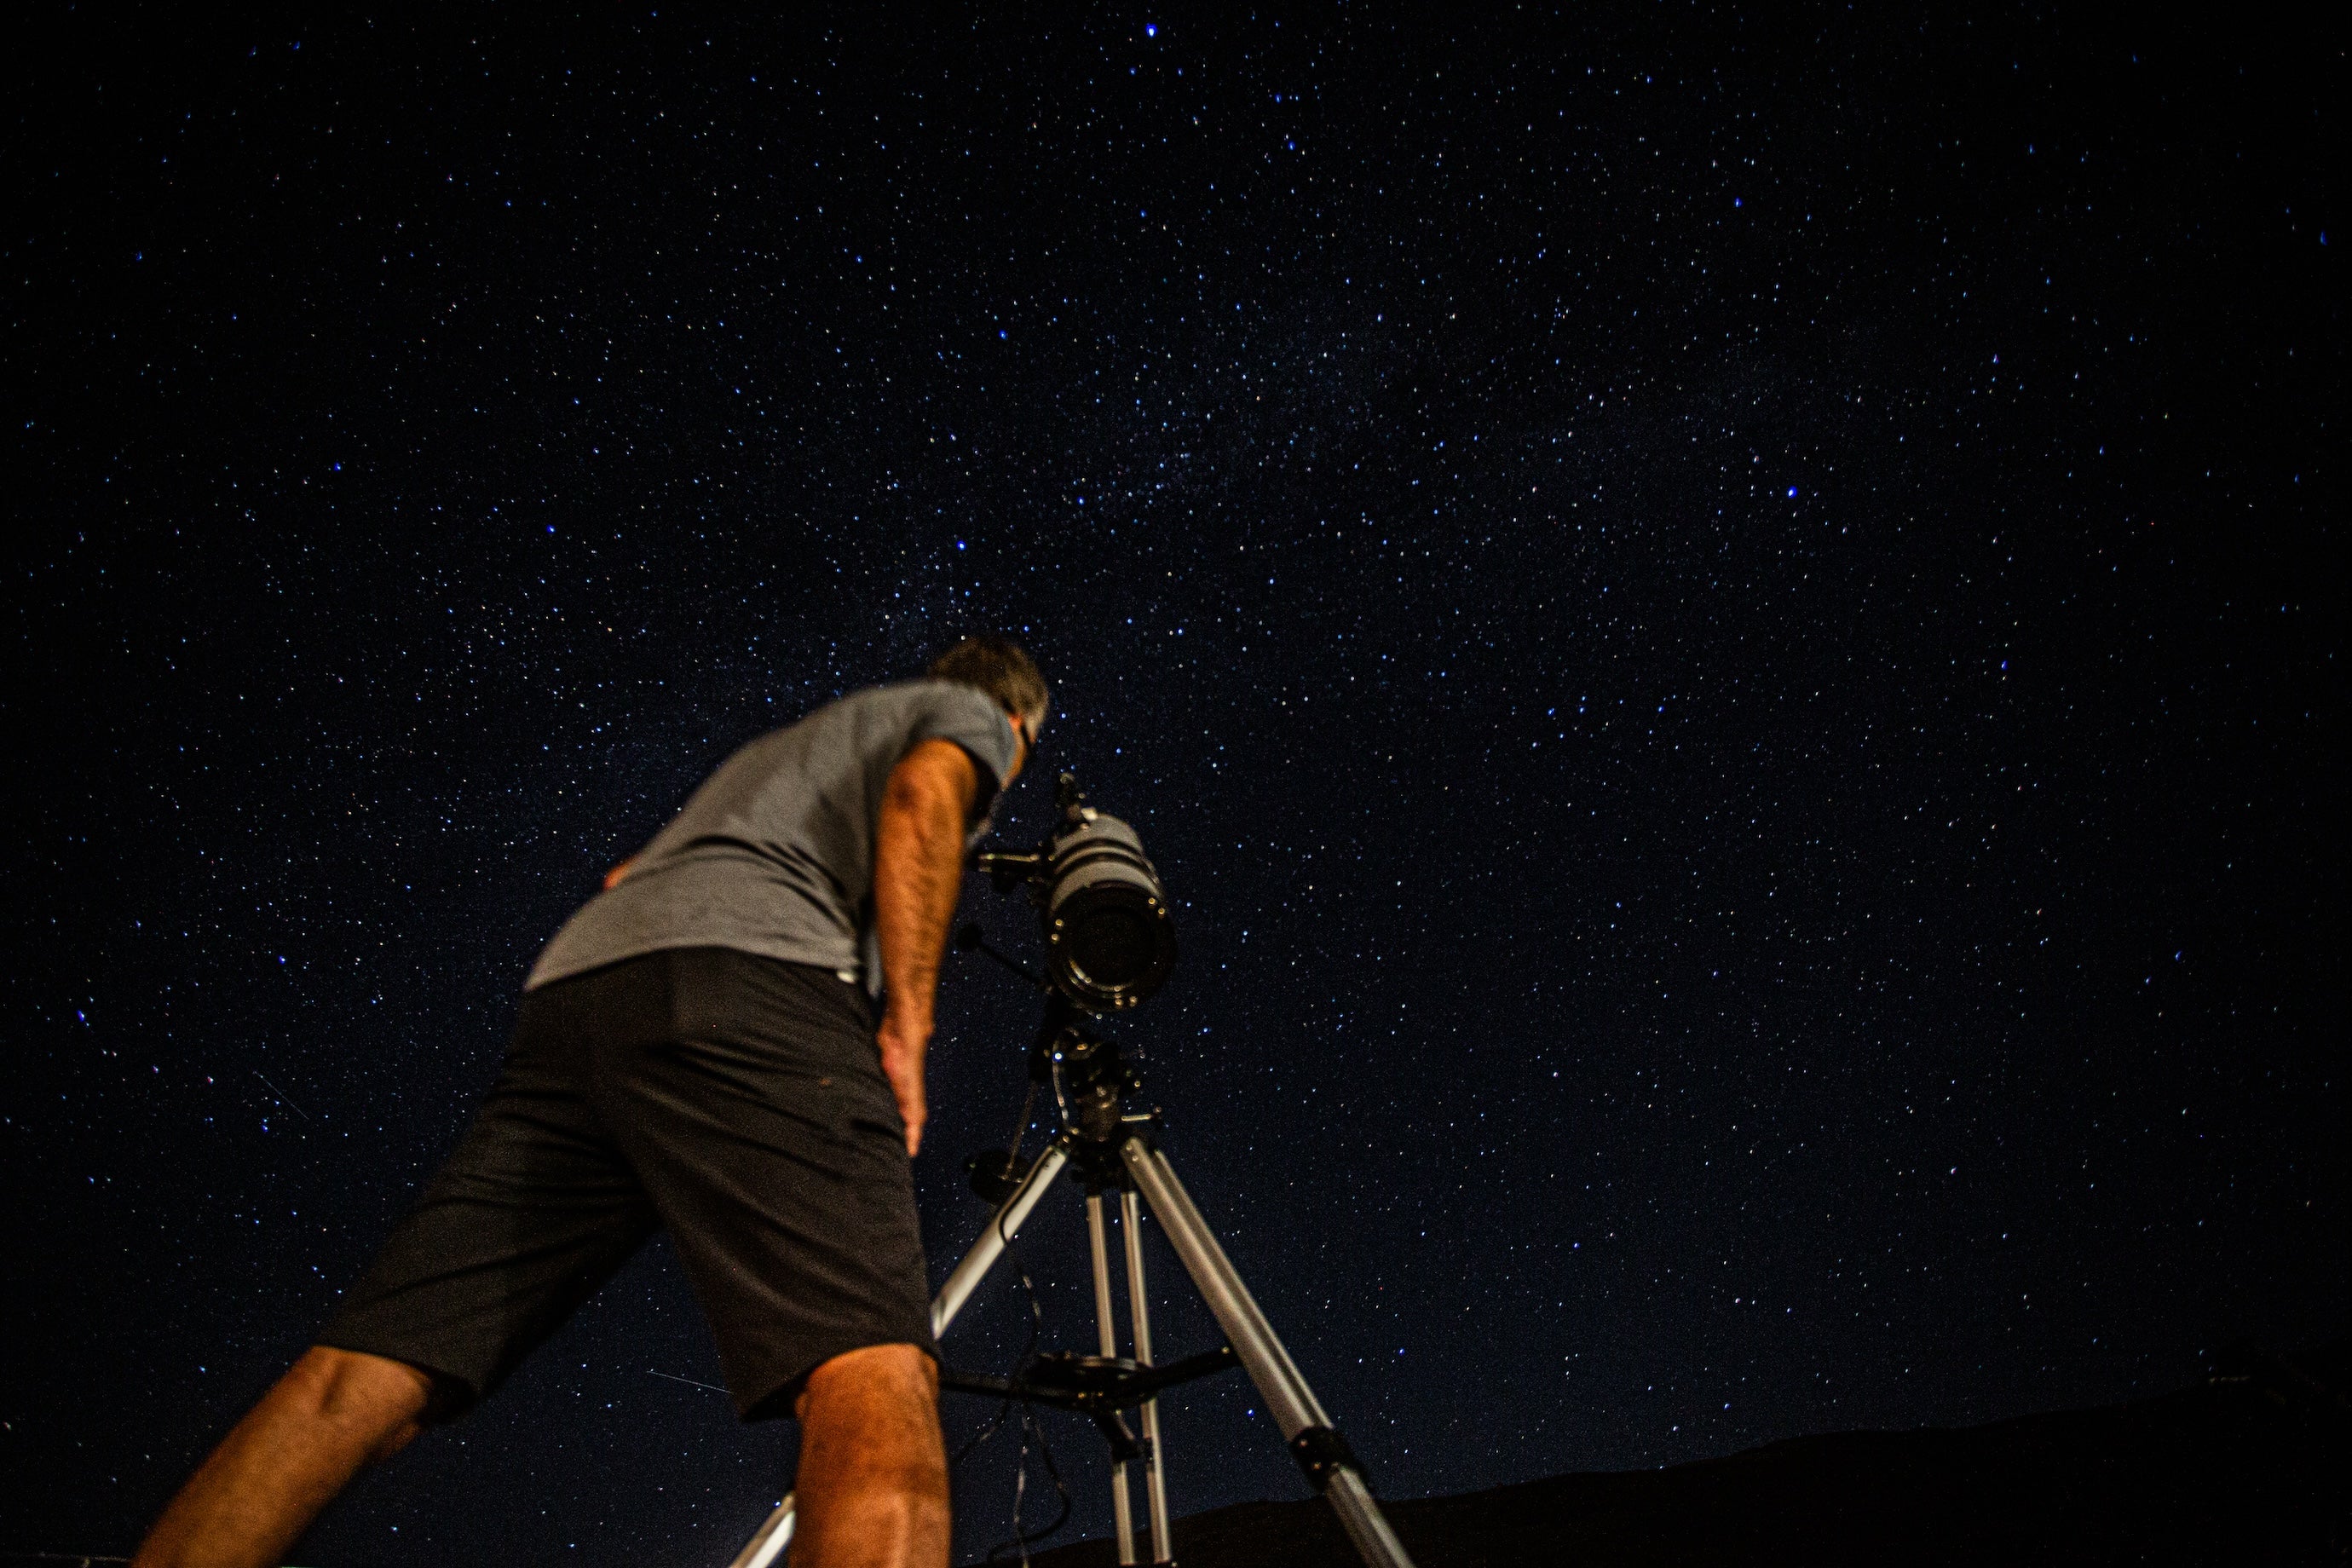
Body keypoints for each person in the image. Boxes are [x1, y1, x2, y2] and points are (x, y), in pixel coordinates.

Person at [132, 637, 1049, 1568]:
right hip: (758, 981)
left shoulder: (787, 746)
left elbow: (624, 877)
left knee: (358, 1374)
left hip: (583, 987)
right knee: (871, 1365)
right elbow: (922, 799)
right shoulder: (968, 715)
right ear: (1014, 726)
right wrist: (908, 1026)